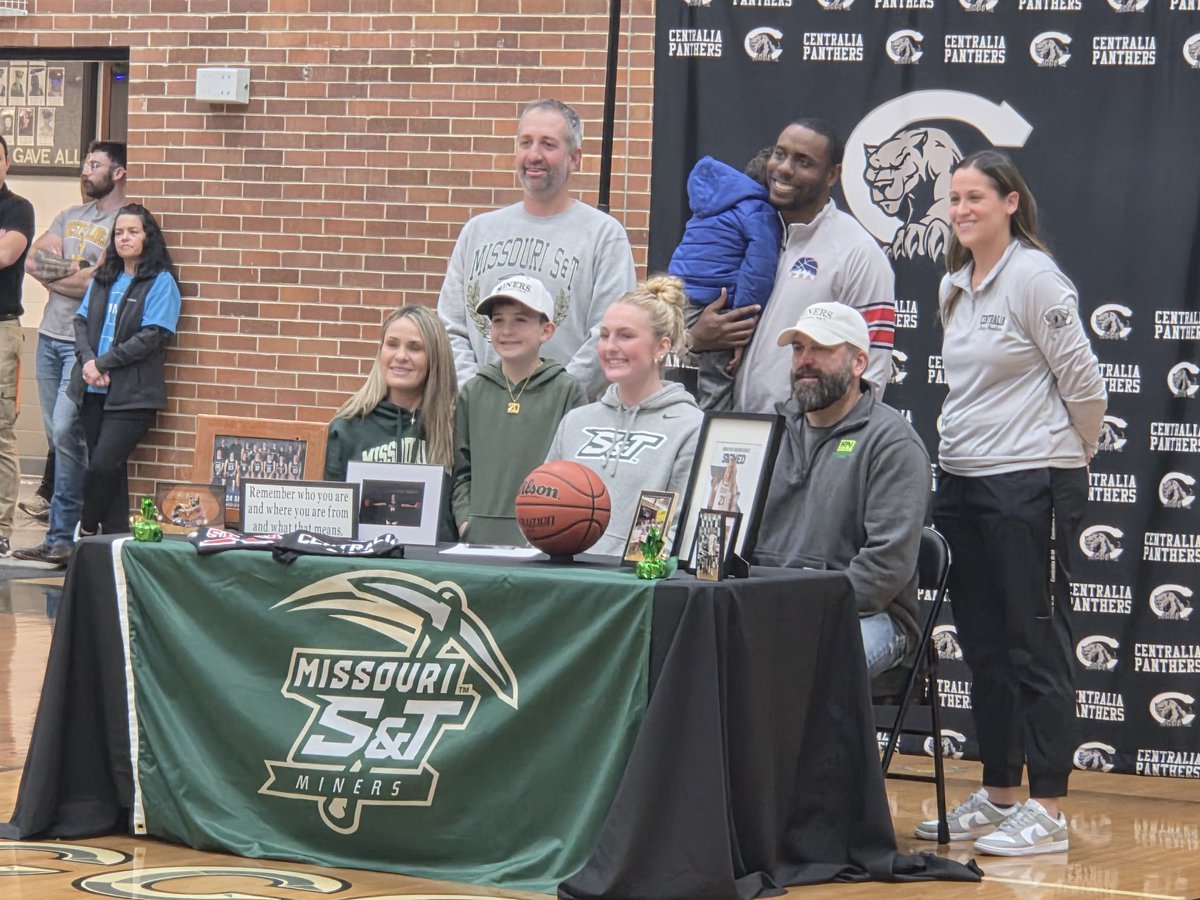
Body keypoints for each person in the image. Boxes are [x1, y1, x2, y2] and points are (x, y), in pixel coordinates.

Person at [918, 150, 1105, 856]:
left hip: (1032, 480)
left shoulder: (1034, 278)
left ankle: (1048, 808)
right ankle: (1000, 794)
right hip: (962, 480)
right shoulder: (954, 283)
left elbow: (1084, 385)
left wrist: (1073, 453)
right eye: (955, 198)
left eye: (975, 197)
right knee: (987, 646)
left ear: (1009, 203)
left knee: (1036, 645)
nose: (962, 209)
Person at [752, 302, 927, 681]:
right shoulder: (767, 430)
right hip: (767, 605)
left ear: (858, 363)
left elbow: (885, 568)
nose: (805, 360)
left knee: (800, 670)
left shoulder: (892, 443)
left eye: (822, 348)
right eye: (799, 349)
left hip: (869, 617)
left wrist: (800, 608)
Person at [689, 118, 895, 414]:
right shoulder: (740, 231)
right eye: (780, 154)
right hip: (732, 432)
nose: (784, 168)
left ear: (832, 175)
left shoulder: (858, 252)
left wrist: (826, 446)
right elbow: (692, 340)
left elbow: (870, 373)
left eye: (803, 162)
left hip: (805, 444)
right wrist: (697, 339)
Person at [438, 99, 637, 396]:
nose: (534, 154)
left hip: (566, 423)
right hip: (480, 420)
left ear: (574, 158)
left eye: (548, 144)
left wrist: (552, 400)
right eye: (526, 142)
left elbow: (607, 334)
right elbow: (450, 327)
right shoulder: (477, 232)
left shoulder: (604, 236)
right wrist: (476, 396)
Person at [14, 141, 127, 566]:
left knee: (66, 431)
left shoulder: (124, 221)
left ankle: (69, 533)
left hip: (84, 346)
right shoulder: (69, 216)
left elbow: (100, 282)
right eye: (84, 163)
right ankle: (61, 537)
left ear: (117, 173)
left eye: (95, 165)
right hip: (47, 337)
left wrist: (59, 277)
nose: (85, 172)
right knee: (57, 438)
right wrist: (74, 274)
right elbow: (32, 263)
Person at [545, 276, 703, 557]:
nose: (610, 346)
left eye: (626, 335)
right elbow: (544, 500)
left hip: (632, 587)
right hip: (564, 580)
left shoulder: (689, 427)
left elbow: (678, 526)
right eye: (605, 335)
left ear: (661, 347)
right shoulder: (576, 421)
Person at [70, 203, 182, 538]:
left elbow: (151, 337)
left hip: (132, 396)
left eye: (132, 231)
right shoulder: (104, 278)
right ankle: (115, 540)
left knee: (101, 465)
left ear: (148, 236)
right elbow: (80, 321)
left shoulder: (161, 282)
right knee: (113, 472)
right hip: (92, 390)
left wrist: (103, 363)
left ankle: (87, 529)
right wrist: (90, 362)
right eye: (119, 232)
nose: (124, 238)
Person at [452, 274, 584, 546]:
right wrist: (466, 520)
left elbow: (576, 476)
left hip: (543, 542)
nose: (507, 330)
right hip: (478, 540)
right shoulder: (473, 391)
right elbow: (460, 471)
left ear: (546, 331)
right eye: (498, 320)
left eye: (520, 320)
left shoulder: (567, 391)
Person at [324, 305, 458, 541]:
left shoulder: (456, 426)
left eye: (415, 347)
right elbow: (329, 519)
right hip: (362, 564)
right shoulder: (346, 427)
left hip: (438, 568)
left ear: (435, 358)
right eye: (392, 344)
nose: (401, 356)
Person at [668, 152, 782, 411]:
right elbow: (758, 271)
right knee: (717, 382)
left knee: (707, 377)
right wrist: (741, 324)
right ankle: (712, 437)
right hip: (716, 301)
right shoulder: (758, 209)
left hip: (681, 295)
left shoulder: (714, 202)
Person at [0, 136, 35, 557]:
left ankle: (1, 527)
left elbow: (6, 254)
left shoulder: (18, 208)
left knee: (0, 433)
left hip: (2, 327)